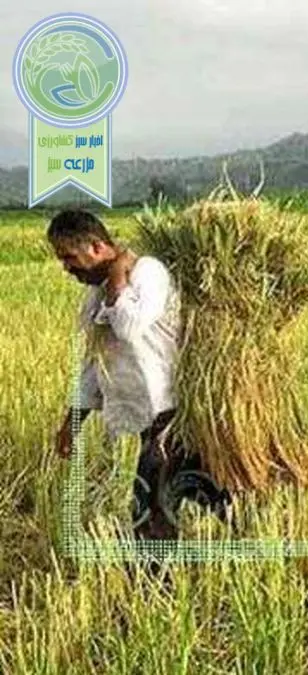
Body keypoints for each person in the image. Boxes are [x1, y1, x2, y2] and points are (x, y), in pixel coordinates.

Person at [48, 209, 231, 542]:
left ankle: (152, 583)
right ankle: (251, 528)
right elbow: (95, 367)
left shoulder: (148, 272)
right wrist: (71, 423)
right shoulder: (95, 297)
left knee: (149, 505)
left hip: (171, 412)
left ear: (96, 246)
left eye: (69, 257)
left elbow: (130, 327)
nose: (65, 268)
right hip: (148, 418)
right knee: (207, 489)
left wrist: (119, 279)